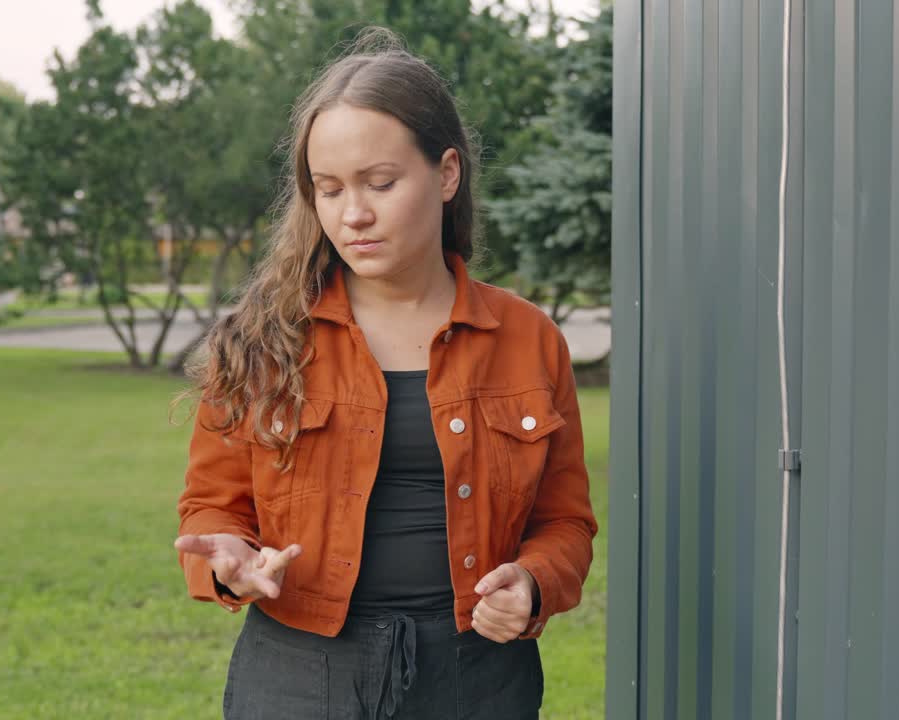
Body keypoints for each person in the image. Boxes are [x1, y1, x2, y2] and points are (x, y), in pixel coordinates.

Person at [174, 27, 597, 719]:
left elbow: (566, 523)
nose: (354, 214)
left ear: (448, 173)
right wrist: (230, 561)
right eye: (329, 189)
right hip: (297, 675)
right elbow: (211, 507)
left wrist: (533, 582)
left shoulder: (529, 340)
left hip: (478, 678)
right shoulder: (261, 340)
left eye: (381, 182)